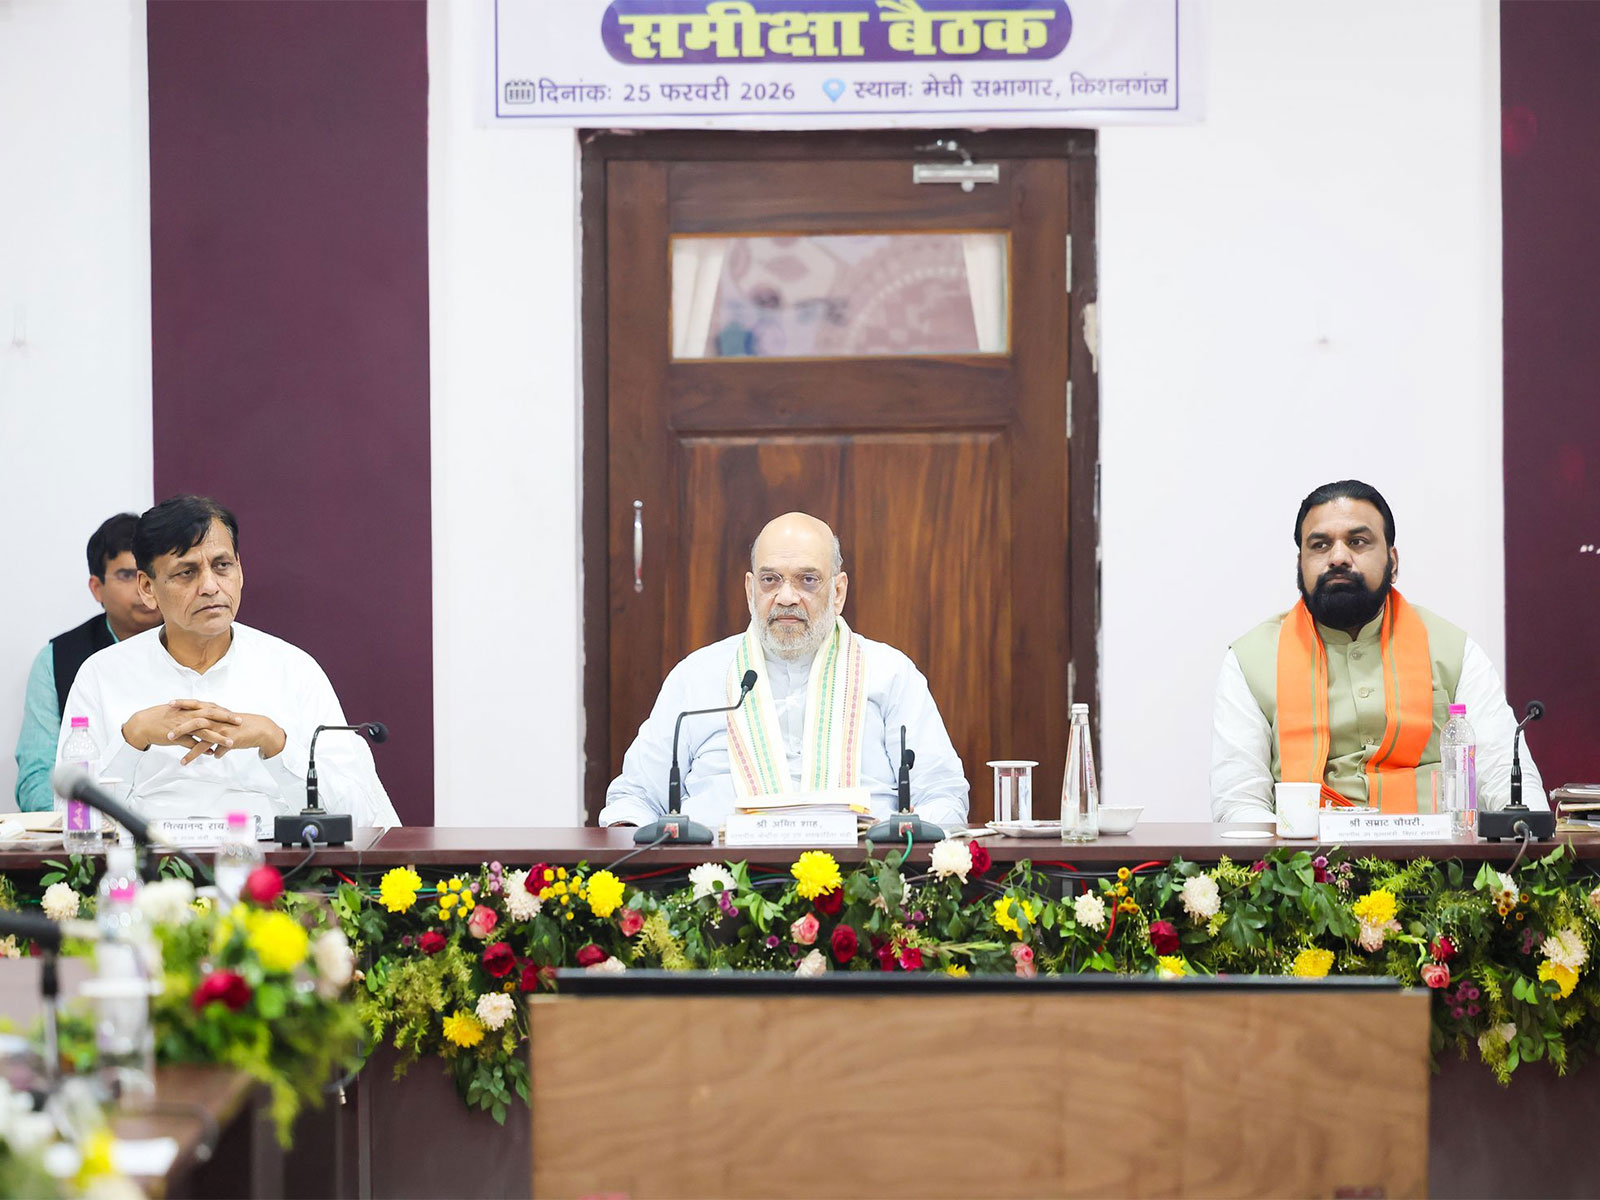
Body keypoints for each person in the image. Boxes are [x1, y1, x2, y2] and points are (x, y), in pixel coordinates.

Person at [600, 512, 969, 829]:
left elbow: (943, 794)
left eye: (808, 580)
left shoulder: (890, 674)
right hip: (717, 888)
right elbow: (634, 795)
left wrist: (904, 843)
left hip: (866, 885)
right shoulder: (697, 675)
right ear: (750, 590)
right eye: (770, 580)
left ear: (838, 592)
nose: (787, 596)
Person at [1212, 480, 1544, 821]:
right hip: (1307, 866)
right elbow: (1239, 803)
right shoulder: (1250, 661)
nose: (1338, 557)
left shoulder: (1453, 650)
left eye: (1358, 541)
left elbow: (1504, 772)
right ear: (1301, 566)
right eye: (1320, 545)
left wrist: (1528, 844)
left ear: (1393, 561)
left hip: (1440, 864)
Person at [59, 495, 399, 828]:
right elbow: (70, 817)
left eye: (222, 566)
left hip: (277, 873)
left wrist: (275, 742)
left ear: (239, 569)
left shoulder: (294, 670)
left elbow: (361, 814)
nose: (210, 586)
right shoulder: (101, 675)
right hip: (149, 871)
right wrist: (133, 737)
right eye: (186, 572)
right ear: (148, 588)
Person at [13, 513, 164, 812]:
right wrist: (73, 824)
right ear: (97, 588)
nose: (142, 587)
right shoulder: (56, 660)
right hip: (89, 839)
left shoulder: (201, 647)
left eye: (149, 573)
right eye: (126, 575)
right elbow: (37, 777)